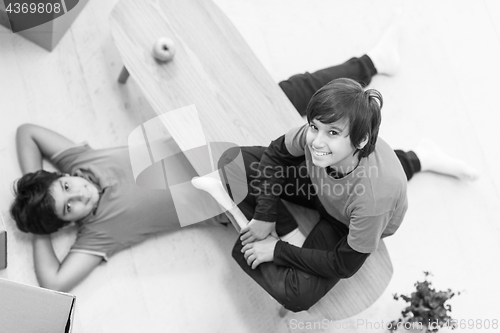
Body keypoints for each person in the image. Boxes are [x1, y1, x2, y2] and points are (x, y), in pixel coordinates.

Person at [9, 21, 477, 294]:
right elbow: (53, 282)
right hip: (237, 185)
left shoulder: (79, 162)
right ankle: (418, 157)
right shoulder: (98, 232)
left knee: (298, 91)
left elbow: (26, 131)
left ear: (63, 174)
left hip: (219, 130)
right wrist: (39, 227)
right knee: (331, 178)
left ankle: (372, 61)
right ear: (71, 223)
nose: (78, 194)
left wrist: (36, 185)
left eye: (66, 187)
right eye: (69, 208)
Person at [216, 25, 478, 312]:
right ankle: (287, 231)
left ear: (360, 139)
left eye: (332, 133)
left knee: (297, 296)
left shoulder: (373, 199)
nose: (316, 140)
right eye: (315, 126)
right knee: (232, 163)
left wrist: (277, 251)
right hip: (319, 185)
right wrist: (266, 215)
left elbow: (343, 263)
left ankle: (422, 158)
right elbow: (276, 154)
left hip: (344, 222)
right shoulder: (315, 138)